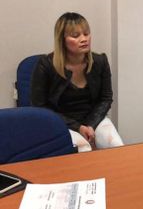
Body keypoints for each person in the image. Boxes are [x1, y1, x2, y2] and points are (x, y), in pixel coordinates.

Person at [31, 12, 124, 152]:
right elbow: (40, 106)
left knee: (116, 146)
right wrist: (78, 127)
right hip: (60, 122)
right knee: (83, 148)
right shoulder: (46, 65)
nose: (84, 39)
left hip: (93, 119)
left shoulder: (100, 61)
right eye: (75, 36)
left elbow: (106, 98)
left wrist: (90, 125)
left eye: (86, 34)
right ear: (62, 40)